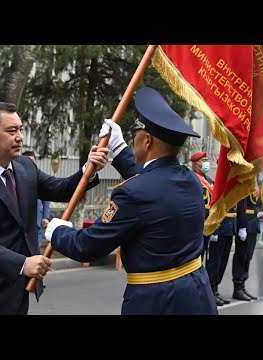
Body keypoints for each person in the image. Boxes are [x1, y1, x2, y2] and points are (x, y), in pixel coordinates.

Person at [45, 87, 218, 315]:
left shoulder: (132, 194)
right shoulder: (191, 180)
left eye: (134, 133)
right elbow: (152, 181)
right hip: (196, 293)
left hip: (156, 302)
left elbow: (87, 247)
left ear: (146, 140)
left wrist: (58, 232)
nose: (132, 138)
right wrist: (119, 149)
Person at [0, 101, 107, 315]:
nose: (20, 137)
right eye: (12, 131)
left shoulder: (24, 166)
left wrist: (89, 169)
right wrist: (22, 263)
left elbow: (61, 190)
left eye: (21, 129)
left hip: (19, 289)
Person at [22, 150, 51, 249]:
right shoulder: (15, 177)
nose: (31, 165)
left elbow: (46, 198)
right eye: (28, 162)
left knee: (36, 249)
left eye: (33, 162)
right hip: (23, 223)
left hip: (37, 221)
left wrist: (46, 217)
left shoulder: (38, 177)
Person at [190, 151, 214, 262]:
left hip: (208, 223)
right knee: (194, 254)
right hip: (195, 222)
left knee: (203, 252)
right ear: (196, 164)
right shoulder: (191, 178)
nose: (207, 163)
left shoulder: (209, 181)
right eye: (204, 161)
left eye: (207, 160)